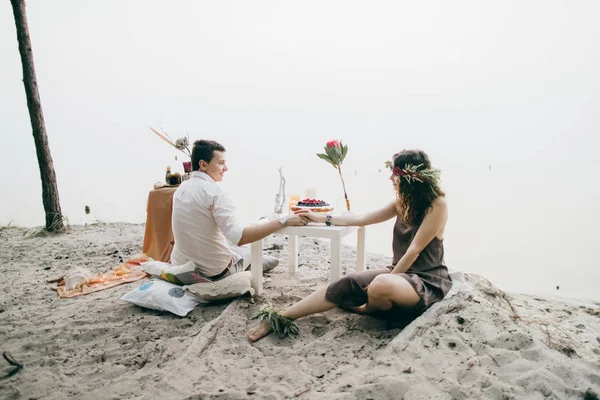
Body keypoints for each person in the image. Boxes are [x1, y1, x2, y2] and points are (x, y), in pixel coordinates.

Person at [248, 149, 452, 341]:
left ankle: (365, 308)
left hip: (426, 280)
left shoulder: (438, 205)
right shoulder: (402, 201)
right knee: (348, 281)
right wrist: (321, 218)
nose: (390, 179)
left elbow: (414, 250)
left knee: (380, 284)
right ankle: (282, 316)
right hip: (400, 274)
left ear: (409, 177)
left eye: (394, 174)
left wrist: (388, 277)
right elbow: (362, 218)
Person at [170, 139, 308, 280]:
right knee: (264, 257)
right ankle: (252, 263)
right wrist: (284, 220)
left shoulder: (181, 188)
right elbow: (241, 237)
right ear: (203, 165)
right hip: (213, 272)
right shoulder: (214, 192)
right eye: (221, 163)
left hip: (181, 265)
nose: (226, 168)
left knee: (236, 250)